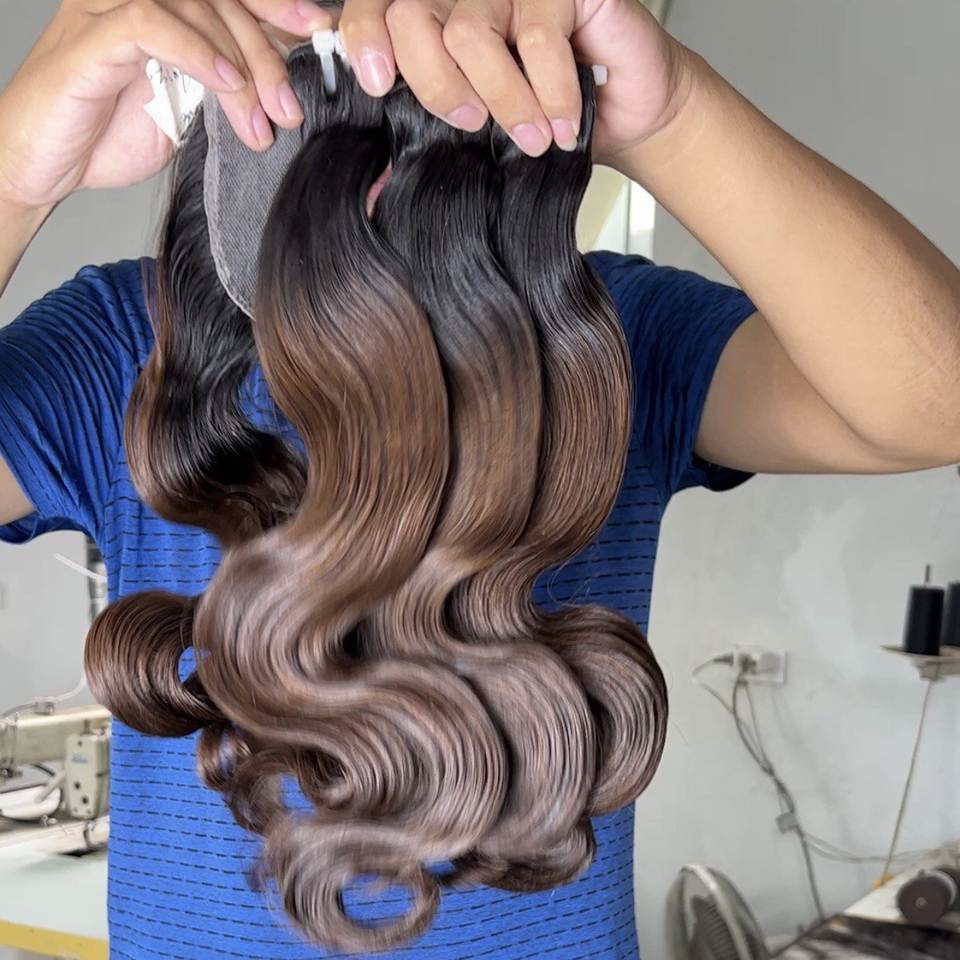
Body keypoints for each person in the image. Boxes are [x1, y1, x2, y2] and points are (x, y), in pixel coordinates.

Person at [0, 1, 957, 958]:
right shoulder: (122, 345)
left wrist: (670, 118)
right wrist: (14, 175)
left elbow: (933, 403)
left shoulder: (608, 335)